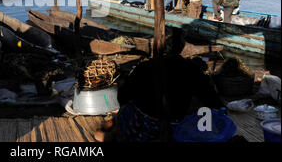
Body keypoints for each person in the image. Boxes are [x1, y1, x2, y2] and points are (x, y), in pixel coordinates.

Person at [94, 29, 222, 142]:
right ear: (181, 47)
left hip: (147, 126)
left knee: (119, 115)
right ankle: (112, 129)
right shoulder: (192, 69)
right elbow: (212, 100)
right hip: (178, 125)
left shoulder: (144, 67)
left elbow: (122, 97)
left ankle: (112, 133)